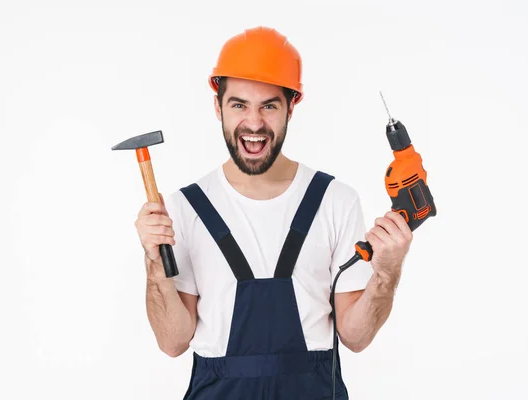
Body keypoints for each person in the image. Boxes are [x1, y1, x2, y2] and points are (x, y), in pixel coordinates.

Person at [135, 26, 413, 399]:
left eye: (269, 105)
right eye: (239, 105)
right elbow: (172, 342)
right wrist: (154, 262)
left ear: (290, 107)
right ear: (217, 106)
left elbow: (356, 337)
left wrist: (387, 271)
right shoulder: (185, 209)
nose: (253, 123)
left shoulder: (334, 201)